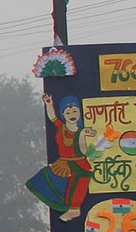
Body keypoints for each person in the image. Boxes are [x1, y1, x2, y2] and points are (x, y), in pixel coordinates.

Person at [24, 94, 96, 222]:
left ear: (80, 113)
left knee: (77, 185)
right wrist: (49, 104)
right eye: (68, 112)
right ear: (63, 114)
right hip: (63, 163)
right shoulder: (61, 127)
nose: (72, 114)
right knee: (47, 178)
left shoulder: (81, 131)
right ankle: (65, 207)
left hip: (80, 165)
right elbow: (52, 117)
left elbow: (84, 151)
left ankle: (75, 210)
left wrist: (86, 138)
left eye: (75, 111)